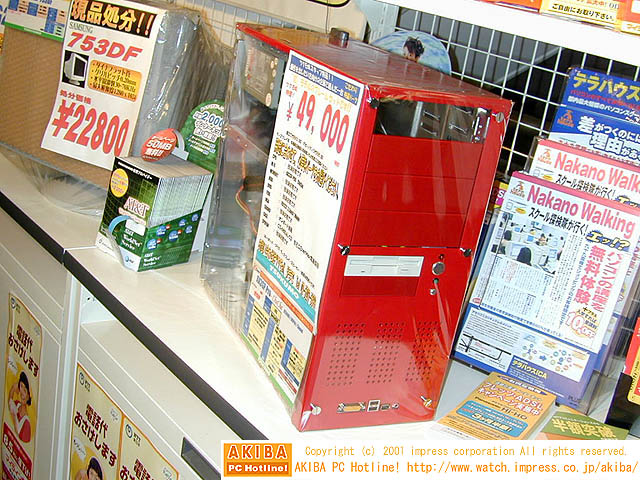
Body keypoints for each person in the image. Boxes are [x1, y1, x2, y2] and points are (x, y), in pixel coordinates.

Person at [7, 371, 32, 443]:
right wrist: (13, 389)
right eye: (21, 386)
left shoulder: (26, 423)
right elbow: (10, 403)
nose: (22, 393)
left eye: (25, 390)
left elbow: (21, 439)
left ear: (29, 396)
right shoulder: (17, 404)